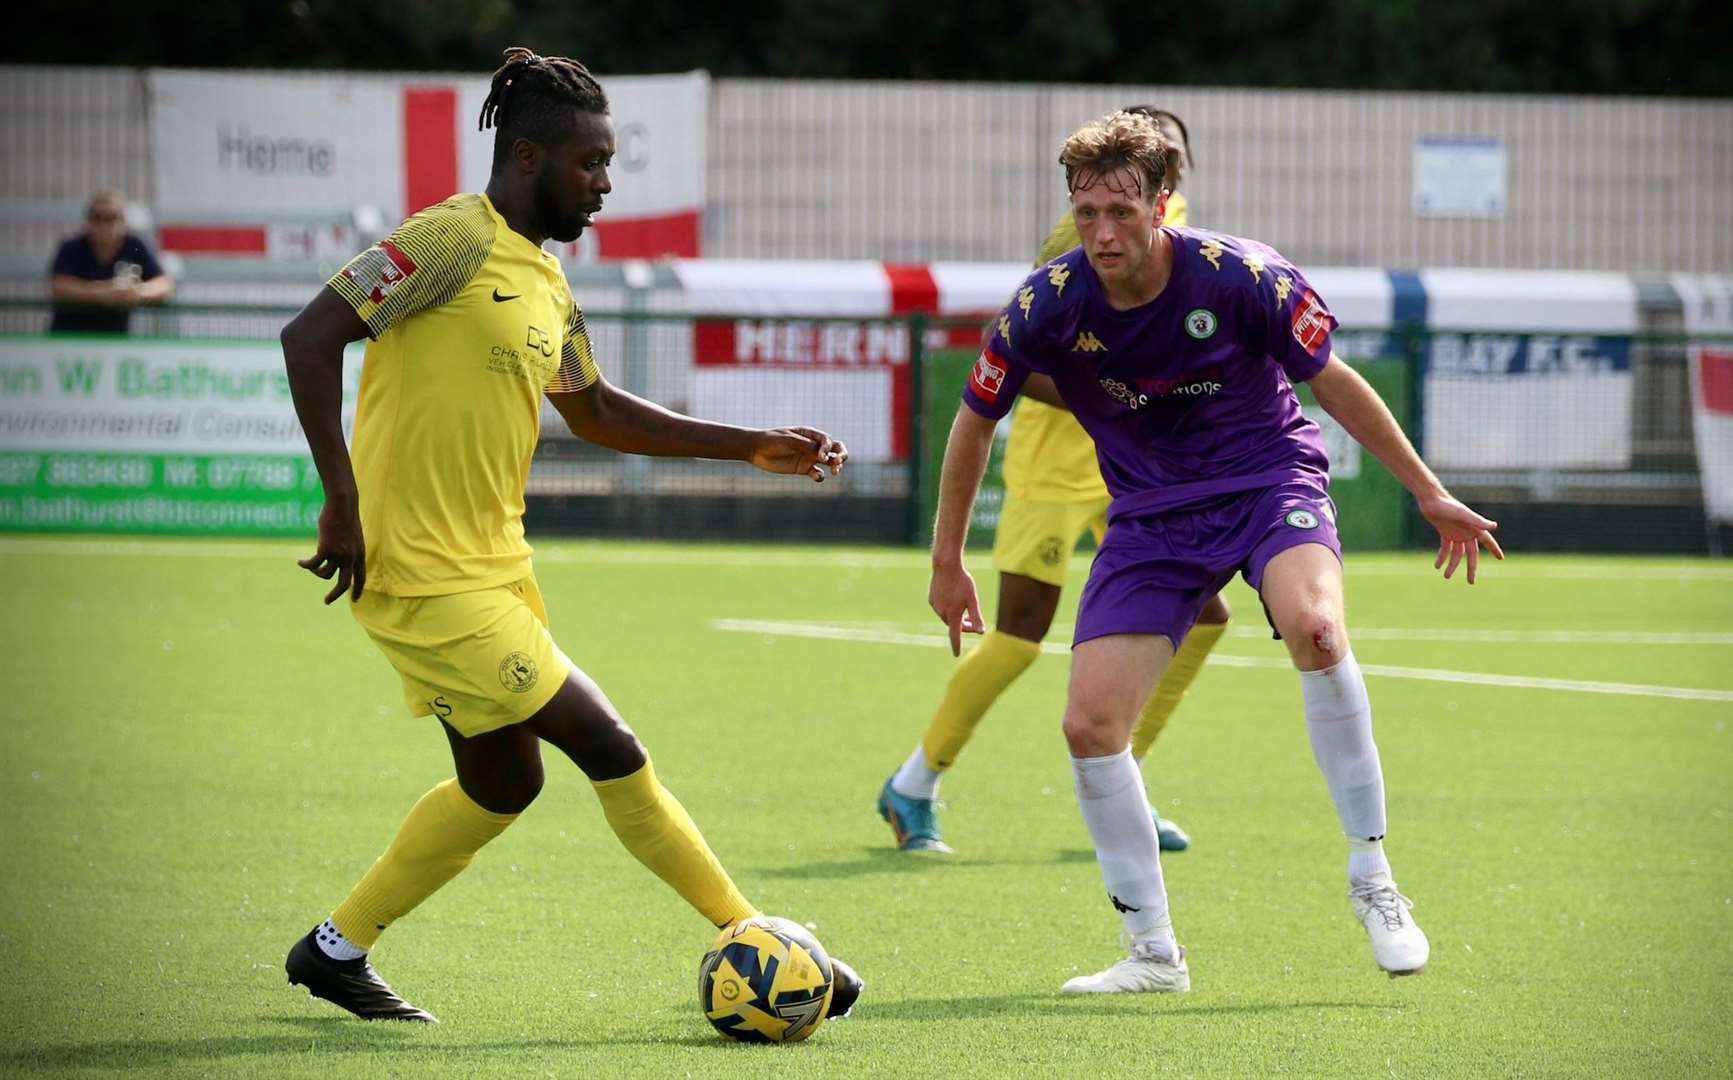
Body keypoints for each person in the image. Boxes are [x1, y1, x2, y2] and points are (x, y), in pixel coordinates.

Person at [278, 48, 860, 1024]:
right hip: (422, 577)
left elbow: (592, 413)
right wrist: (340, 500)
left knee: (502, 784)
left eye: (608, 163)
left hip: (495, 571)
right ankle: (761, 941)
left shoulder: (543, 277)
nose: (604, 184)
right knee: (609, 744)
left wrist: (750, 445)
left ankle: (334, 950)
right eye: (590, 164)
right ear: (529, 157)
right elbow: (310, 336)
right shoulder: (449, 239)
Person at [927, 111, 1503, 993]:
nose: (1102, 232)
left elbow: (1335, 383)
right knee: (1087, 728)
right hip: (1152, 516)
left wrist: (1426, 491)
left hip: (1267, 484)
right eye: (1085, 213)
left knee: (1315, 631)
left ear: (1164, 203)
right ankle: (1153, 954)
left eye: (1121, 210)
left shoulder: (1241, 277)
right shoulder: (1047, 303)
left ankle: (1373, 877)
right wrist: (947, 558)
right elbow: (976, 418)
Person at [878, 107, 1226, 856]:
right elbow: (1008, 351)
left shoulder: (1181, 234)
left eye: (1171, 156)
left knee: (1205, 616)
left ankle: (1122, 780)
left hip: (1134, 468)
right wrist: (1117, 396)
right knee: (1017, 636)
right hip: (1056, 462)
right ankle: (912, 784)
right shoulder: (1084, 236)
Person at [47, 191, 175, 334]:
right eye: (97, 217)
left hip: (114, 340)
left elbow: (164, 284)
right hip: (70, 336)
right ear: (87, 220)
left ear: (123, 220)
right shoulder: (71, 246)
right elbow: (58, 286)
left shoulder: (135, 245)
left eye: (111, 218)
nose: (103, 224)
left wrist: (138, 292)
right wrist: (104, 292)